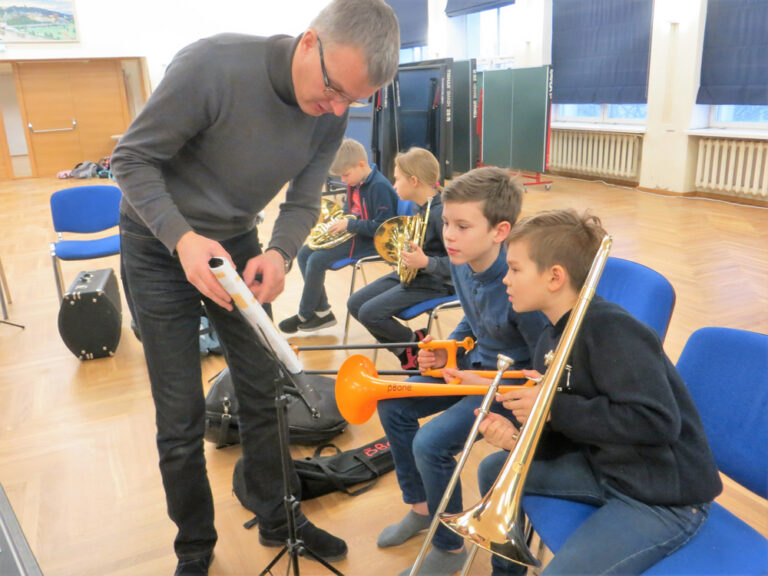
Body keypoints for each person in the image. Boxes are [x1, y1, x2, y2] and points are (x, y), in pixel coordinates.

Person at [110, 2, 400, 574]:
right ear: (310, 42)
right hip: (157, 244)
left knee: (265, 391)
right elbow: (131, 159)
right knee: (181, 417)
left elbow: (302, 198)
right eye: (334, 89)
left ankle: (279, 518)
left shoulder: (333, 107)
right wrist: (183, 240)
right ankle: (194, 548)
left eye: (353, 101)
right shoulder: (211, 66)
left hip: (240, 247)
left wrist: (280, 251)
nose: (337, 109)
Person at [470, 209, 722, 575]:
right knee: (496, 468)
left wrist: (553, 408)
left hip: (661, 494)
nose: (506, 279)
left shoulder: (614, 330)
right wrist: (515, 439)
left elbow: (655, 422)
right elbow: (573, 427)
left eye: (515, 268)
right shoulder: (549, 339)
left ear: (555, 276)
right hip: (603, 465)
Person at [374, 167, 547, 576]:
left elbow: (541, 370)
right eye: (447, 223)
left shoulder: (520, 282)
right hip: (471, 370)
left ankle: (449, 546)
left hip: (506, 388)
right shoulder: (461, 259)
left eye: (462, 226)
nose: (448, 235)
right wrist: (449, 347)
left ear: (499, 231)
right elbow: (472, 320)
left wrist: (483, 381)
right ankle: (421, 508)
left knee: (430, 444)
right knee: (392, 403)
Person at [347, 147, 454, 369]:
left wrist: (426, 263)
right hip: (414, 274)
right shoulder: (419, 207)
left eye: (397, 179)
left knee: (370, 313)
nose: (393, 185)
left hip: (436, 282)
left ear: (414, 180)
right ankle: (411, 349)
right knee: (355, 303)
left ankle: (415, 351)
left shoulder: (441, 214)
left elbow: (459, 263)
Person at [278, 138, 398, 333]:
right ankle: (323, 312)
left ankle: (305, 314)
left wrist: (349, 224)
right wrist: (337, 221)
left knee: (317, 260)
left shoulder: (379, 187)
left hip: (371, 241)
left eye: (345, 175)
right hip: (355, 233)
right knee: (304, 253)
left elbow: (384, 228)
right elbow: (348, 209)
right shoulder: (355, 180)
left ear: (361, 165)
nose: (343, 181)